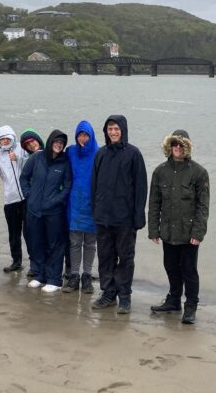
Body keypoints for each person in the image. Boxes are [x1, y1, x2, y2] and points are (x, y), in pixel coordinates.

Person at [148, 129, 210, 324]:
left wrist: (198, 233)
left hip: (189, 233)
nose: (177, 147)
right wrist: (153, 230)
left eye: (181, 144)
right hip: (168, 231)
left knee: (189, 270)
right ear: (169, 146)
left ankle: (190, 306)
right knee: (171, 267)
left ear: (187, 147)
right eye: (174, 143)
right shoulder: (160, 172)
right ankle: (174, 300)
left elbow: (203, 206)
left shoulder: (199, 173)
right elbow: (154, 203)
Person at [90, 115, 147, 314]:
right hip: (103, 217)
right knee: (105, 257)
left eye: (116, 129)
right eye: (110, 129)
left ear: (123, 130)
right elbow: (94, 185)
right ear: (105, 132)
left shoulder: (133, 154)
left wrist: (138, 217)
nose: (113, 132)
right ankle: (108, 293)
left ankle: (124, 296)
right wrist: (95, 210)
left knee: (125, 258)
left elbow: (141, 188)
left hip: (125, 219)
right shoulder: (101, 154)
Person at [19, 130, 72, 293]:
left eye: (62, 143)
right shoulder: (36, 158)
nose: (59, 145)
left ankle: (54, 279)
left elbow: (67, 186)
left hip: (54, 211)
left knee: (55, 245)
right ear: (50, 142)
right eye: (56, 142)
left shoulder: (64, 163)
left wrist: (55, 201)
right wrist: (29, 195)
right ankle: (40, 276)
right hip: (34, 209)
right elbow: (24, 178)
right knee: (36, 243)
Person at [0, 125, 29, 272]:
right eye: (1, 140)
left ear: (12, 137)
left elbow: (32, 166)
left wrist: (19, 159)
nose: (4, 141)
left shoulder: (22, 150)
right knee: (14, 234)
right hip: (10, 201)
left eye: (7, 138)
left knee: (30, 233)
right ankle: (16, 262)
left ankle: (35, 263)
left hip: (27, 198)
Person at [63, 120, 99, 294]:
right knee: (75, 241)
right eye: (80, 135)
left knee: (91, 243)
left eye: (86, 135)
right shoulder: (70, 152)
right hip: (74, 202)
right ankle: (74, 275)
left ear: (91, 136)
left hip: (92, 203)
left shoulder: (99, 153)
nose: (83, 139)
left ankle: (87, 276)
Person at [19, 128, 45, 277]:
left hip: (49, 203)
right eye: (27, 144)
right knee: (30, 234)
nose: (31, 145)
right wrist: (29, 195)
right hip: (31, 204)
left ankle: (53, 266)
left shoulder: (50, 156)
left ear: (38, 140)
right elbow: (24, 179)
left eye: (32, 141)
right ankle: (34, 264)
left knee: (49, 236)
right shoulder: (28, 160)